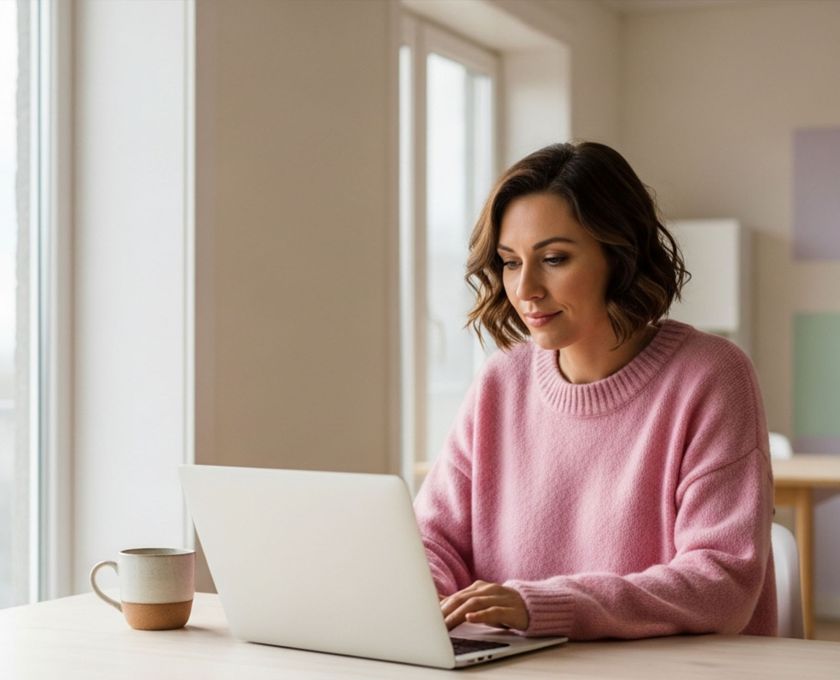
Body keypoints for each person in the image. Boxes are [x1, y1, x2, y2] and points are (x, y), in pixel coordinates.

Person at [413, 141, 776, 640]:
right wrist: (420, 600)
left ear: (619, 256)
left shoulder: (711, 375)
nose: (525, 290)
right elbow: (432, 539)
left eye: (554, 258)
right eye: (511, 262)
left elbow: (721, 583)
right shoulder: (501, 380)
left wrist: (542, 605)